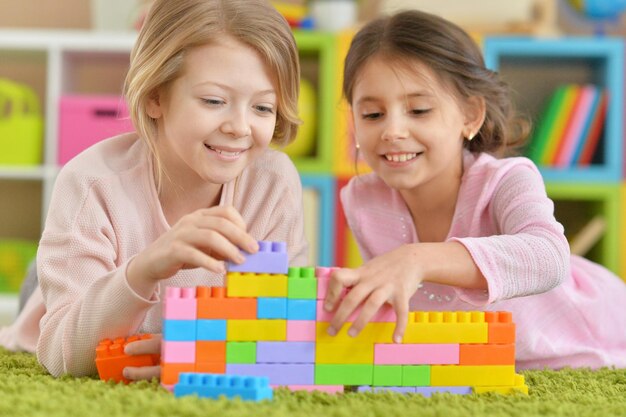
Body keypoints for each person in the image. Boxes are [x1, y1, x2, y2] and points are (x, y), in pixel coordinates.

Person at [0, 0, 308, 380]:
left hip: (135, 294)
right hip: (71, 296)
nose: (240, 127)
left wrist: (195, 350)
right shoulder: (89, 184)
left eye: (263, 108)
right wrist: (146, 267)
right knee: (45, 285)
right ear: (154, 96)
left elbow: (285, 333)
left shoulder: (273, 182)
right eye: (214, 101)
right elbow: (61, 357)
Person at [323, 10, 626, 369]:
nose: (392, 131)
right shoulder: (362, 200)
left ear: (470, 116)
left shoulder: (507, 179)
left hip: (581, 344)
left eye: (419, 110)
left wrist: (416, 259)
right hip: (480, 359)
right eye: (373, 115)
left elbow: (549, 257)